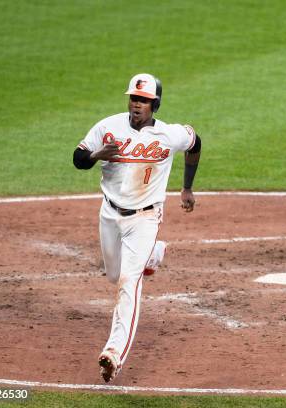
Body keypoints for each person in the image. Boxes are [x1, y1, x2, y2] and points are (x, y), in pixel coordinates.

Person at [73, 73, 202, 381]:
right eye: (133, 98)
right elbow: (78, 158)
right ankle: (154, 254)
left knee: (128, 283)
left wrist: (187, 188)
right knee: (114, 276)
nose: (136, 104)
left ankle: (114, 353)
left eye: (143, 100)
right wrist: (95, 155)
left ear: (155, 103)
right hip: (110, 214)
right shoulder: (108, 127)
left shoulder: (170, 135)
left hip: (145, 218)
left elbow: (196, 143)